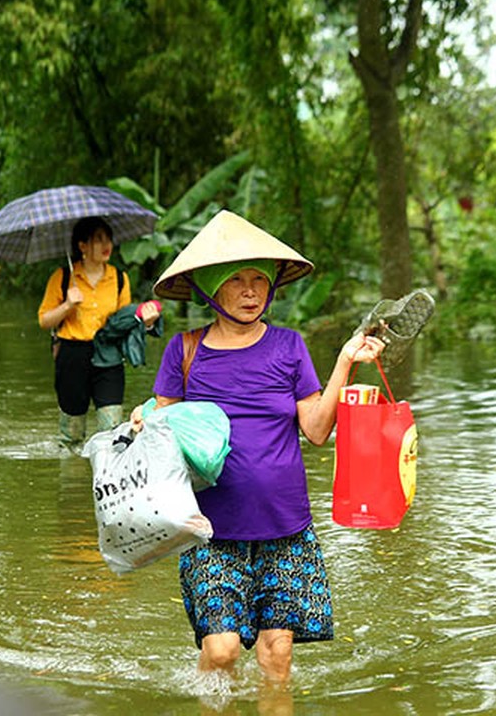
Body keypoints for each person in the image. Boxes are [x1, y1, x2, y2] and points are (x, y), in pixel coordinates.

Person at [134, 209, 385, 684]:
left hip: (285, 527)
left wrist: (347, 360)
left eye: (259, 280)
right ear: (210, 287)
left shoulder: (289, 347)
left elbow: (315, 428)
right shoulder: (183, 351)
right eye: (236, 280)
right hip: (211, 531)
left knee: (276, 657)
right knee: (223, 650)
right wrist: (146, 416)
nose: (251, 291)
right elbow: (162, 433)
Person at [37, 216, 160, 448]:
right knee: (71, 435)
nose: (107, 246)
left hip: (109, 356)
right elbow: (44, 320)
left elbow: (125, 323)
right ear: (82, 246)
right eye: (99, 239)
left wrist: (146, 322)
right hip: (72, 356)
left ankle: (105, 479)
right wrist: (67, 305)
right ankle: (72, 481)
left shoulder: (120, 279)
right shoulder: (63, 277)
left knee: (111, 429)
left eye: (109, 239)